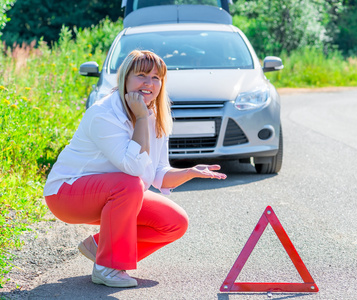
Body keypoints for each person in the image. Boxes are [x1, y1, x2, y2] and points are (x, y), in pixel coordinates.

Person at [43, 50, 226, 288]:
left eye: (156, 78)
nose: (149, 83)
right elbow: (133, 168)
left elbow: (158, 173)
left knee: (174, 222)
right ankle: (107, 267)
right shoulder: (104, 113)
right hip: (66, 194)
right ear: (125, 78)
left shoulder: (155, 115)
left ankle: (100, 246)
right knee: (129, 184)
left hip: (118, 192)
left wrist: (190, 171)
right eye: (141, 75)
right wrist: (140, 119)